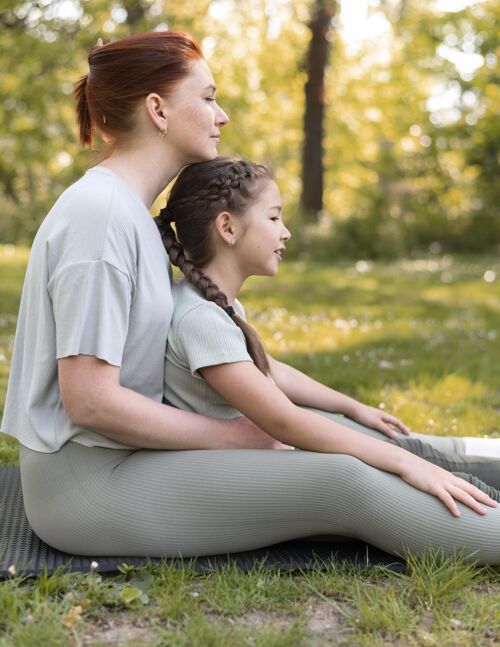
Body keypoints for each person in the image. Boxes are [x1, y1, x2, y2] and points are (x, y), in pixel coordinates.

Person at [1, 33, 498, 565]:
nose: (223, 114)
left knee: (349, 436)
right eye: (209, 96)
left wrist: (331, 414)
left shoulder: (127, 213)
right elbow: (91, 401)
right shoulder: (98, 218)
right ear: (157, 109)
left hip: (120, 460)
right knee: (341, 478)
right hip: (86, 487)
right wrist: (233, 438)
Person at [156, 156, 500, 563]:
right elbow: (286, 422)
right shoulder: (200, 318)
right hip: (237, 477)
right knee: (393, 466)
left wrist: (352, 407)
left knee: (391, 442)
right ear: (228, 227)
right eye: (274, 217)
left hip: (260, 454)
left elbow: (267, 370)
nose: (285, 233)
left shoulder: (209, 303)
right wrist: (405, 464)